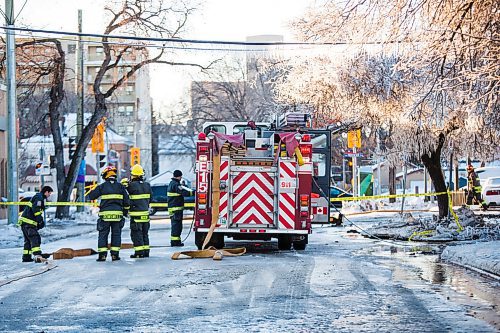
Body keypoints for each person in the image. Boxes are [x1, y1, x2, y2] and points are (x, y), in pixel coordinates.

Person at [87, 165, 130, 261]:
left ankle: (102, 255)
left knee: (103, 235)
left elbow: (91, 196)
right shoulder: (121, 187)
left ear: (105, 175)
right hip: (118, 216)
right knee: (116, 235)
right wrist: (125, 212)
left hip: (105, 216)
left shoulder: (102, 186)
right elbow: (127, 201)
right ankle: (115, 255)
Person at [19, 186, 53, 262]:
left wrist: (38, 223)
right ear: (46, 192)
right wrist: (40, 220)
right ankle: (37, 255)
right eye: (49, 193)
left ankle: (26, 257)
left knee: (28, 240)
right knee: (35, 238)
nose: (49, 195)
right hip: (29, 223)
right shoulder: (39, 198)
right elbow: (36, 209)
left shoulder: (39, 197)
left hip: (25, 223)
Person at [127, 164, 153, 258]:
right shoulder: (147, 185)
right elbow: (151, 199)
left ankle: (139, 252)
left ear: (133, 175)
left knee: (136, 234)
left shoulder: (131, 186)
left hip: (136, 216)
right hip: (145, 215)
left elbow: (125, 198)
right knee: (145, 234)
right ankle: (146, 251)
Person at [167, 170, 193, 247]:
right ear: (178, 176)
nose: (181, 177)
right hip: (176, 209)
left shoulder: (172, 183)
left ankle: (176, 241)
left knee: (176, 225)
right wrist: (193, 193)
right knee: (177, 226)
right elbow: (183, 192)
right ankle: (175, 242)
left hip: (174, 209)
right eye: (180, 176)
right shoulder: (175, 184)